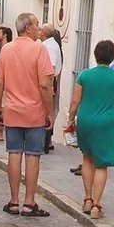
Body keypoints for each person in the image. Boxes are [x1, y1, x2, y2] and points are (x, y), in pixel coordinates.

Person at [0, 12, 56, 217]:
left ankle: (13, 201)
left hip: (12, 110)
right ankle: (29, 202)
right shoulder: (40, 49)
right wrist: (50, 112)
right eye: (37, 24)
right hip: (35, 111)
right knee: (32, 156)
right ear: (28, 28)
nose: (40, 28)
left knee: (13, 153)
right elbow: (45, 85)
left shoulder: (7, 50)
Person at [65, 39, 114, 219]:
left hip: (86, 120)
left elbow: (75, 100)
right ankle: (96, 204)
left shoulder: (84, 75)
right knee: (101, 165)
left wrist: (71, 119)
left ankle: (86, 199)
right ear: (112, 57)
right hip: (107, 122)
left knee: (87, 158)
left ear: (95, 55)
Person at [73, 32, 114, 177]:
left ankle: (91, 165)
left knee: (101, 140)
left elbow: (109, 76)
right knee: (99, 138)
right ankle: (90, 164)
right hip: (112, 101)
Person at [41, 24, 64, 153]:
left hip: (49, 82)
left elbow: (50, 67)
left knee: (46, 112)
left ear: (44, 32)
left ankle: (44, 144)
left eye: (40, 29)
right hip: (50, 82)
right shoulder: (50, 44)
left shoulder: (48, 46)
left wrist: (49, 86)